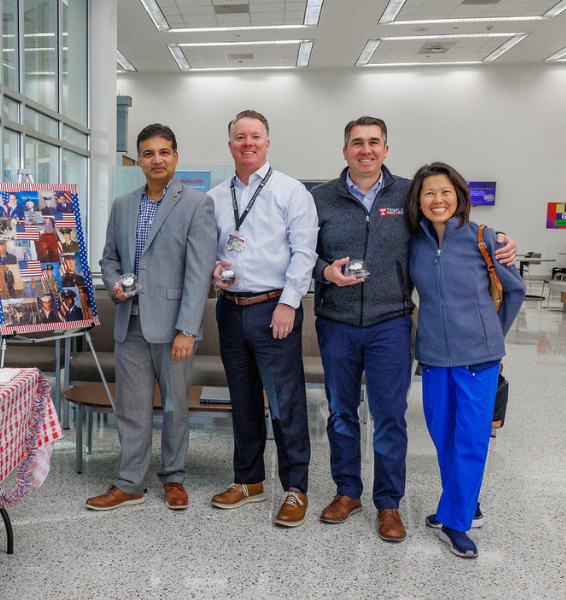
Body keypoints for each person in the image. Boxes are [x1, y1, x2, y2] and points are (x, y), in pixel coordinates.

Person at [310, 117, 518, 541]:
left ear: (386, 149)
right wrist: (324, 271)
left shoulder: (409, 194)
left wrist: (500, 240)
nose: (365, 149)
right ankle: (347, 491)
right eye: (356, 143)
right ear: (345, 149)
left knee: (390, 417)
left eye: (374, 142)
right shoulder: (319, 199)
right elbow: (299, 255)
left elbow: (447, 230)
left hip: (391, 324)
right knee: (341, 414)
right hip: (337, 323)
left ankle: (389, 503)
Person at [88, 123, 216, 512]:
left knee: (176, 406)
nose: (156, 159)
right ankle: (128, 482)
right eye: (148, 153)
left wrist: (188, 330)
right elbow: (109, 259)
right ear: (138, 160)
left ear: (175, 157)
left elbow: (198, 273)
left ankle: (173, 478)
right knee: (132, 408)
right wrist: (113, 284)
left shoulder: (196, 203)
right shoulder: (123, 204)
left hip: (175, 326)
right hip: (131, 323)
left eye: (164, 152)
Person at [405, 162, 525, 558]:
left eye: (445, 192)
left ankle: (457, 523)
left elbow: (515, 290)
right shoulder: (415, 243)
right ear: (418, 201)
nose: (437, 200)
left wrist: (490, 334)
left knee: (471, 440)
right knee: (443, 438)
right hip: (435, 359)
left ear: (459, 196)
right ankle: (458, 505)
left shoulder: (483, 237)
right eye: (428, 193)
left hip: (480, 360)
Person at [209, 110, 318, 527]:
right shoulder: (217, 197)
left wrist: (289, 304)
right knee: (243, 401)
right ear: (231, 144)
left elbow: (304, 253)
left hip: (276, 309)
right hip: (231, 310)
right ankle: (248, 480)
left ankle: (295, 488)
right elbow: (211, 252)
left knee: (286, 402)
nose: (248, 143)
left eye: (255, 136)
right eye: (240, 137)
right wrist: (214, 271)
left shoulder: (291, 192)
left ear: (267, 143)